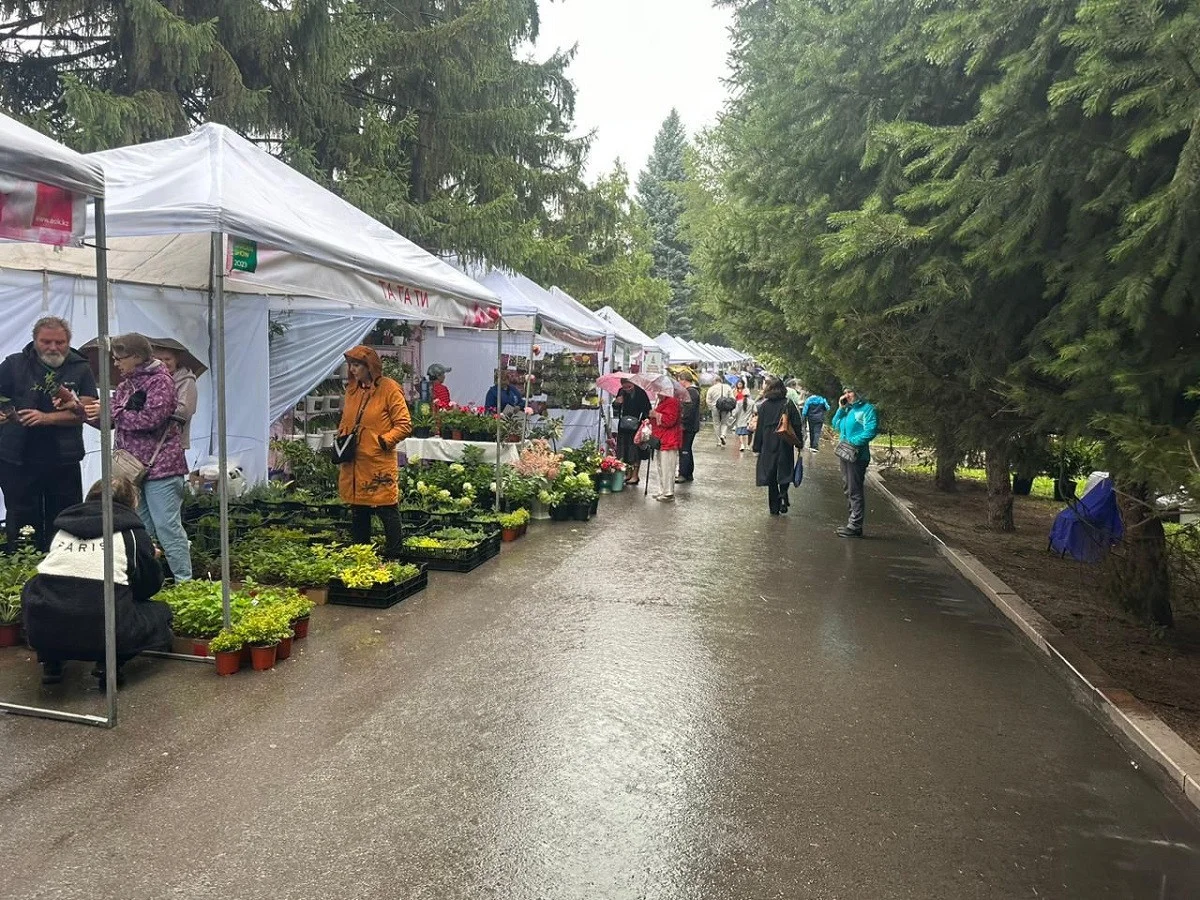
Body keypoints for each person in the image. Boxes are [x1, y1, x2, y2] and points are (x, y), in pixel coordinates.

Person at [22, 477, 172, 689]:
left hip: (45, 627)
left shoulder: (62, 528)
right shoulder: (131, 532)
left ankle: (51, 662)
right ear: (131, 503)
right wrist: (149, 557)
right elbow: (148, 586)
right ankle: (111, 663)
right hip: (105, 630)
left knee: (38, 586)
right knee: (160, 613)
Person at [76, 334, 192, 581]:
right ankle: (149, 578)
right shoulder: (126, 384)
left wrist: (111, 410)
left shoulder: (161, 382)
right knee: (142, 528)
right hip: (133, 468)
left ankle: (185, 582)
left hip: (162, 466)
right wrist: (79, 409)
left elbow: (151, 420)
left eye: (120, 358)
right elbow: (111, 422)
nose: (116, 364)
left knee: (167, 527)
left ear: (137, 357)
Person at [0, 316, 98, 551]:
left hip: (63, 456)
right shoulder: (14, 364)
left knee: (64, 512)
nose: (53, 347)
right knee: (21, 511)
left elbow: (87, 412)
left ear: (68, 342)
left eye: (59, 342)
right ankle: (22, 561)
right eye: (46, 342)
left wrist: (46, 418)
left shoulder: (80, 367)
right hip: (17, 455)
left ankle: (60, 562)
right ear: (35, 340)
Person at [340, 345, 412, 556]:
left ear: (369, 366)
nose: (352, 370)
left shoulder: (389, 388)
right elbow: (346, 420)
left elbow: (404, 424)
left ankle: (394, 555)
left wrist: (383, 441)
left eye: (357, 365)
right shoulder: (352, 391)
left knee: (386, 507)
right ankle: (362, 555)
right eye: (351, 365)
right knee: (358, 510)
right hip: (353, 461)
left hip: (377, 461)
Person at [752, 377, 805, 515]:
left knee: (771, 474)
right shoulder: (789, 403)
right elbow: (797, 424)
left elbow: (760, 427)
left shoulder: (763, 406)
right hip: (784, 441)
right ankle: (783, 494)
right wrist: (799, 442)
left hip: (768, 442)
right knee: (785, 470)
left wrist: (757, 446)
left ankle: (774, 507)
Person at [831, 385, 879, 537]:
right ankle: (852, 523)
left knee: (854, 489)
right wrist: (841, 408)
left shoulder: (867, 409)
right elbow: (835, 424)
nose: (847, 395)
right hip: (845, 454)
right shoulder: (849, 409)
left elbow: (871, 430)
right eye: (845, 393)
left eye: (850, 392)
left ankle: (855, 526)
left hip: (857, 455)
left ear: (858, 392)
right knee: (848, 488)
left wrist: (852, 442)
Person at [151, 339, 199, 453]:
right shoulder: (150, 379)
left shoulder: (186, 380)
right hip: (148, 443)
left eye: (168, 359)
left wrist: (153, 411)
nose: (163, 363)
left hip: (172, 444)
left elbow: (184, 411)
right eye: (158, 359)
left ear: (176, 360)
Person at [611, 378, 651, 486]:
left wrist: (645, 422)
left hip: (636, 426)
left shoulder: (641, 392)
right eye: (625, 387)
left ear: (633, 383)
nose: (627, 389)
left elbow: (647, 409)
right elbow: (615, 407)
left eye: (629, 387)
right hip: (623, 425)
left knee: (635, 450)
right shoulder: (621, 391)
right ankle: (627, 473)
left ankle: (635, 475)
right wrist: (617, 403)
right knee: (624, 449)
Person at [649, 390, 683, 502]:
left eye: (660, 392)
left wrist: (656, 415)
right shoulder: (662, 402)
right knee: (661, 466)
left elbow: (670, 421)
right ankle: (662, 490)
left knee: (667, 467)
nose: (658, 394)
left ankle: (668, 492)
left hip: (670, 439)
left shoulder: (672, 402)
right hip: (662, 438)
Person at [676, 372, 702, 484]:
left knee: (684, 450)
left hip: (688, 426)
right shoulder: (694, 392)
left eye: (679, 380)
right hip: (691, 425)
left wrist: (682, 420)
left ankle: (683, 473)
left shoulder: (691, 392)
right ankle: (688, 473)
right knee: (687, 449)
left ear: (684, 380)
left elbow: (688, 410)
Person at [706, 375, 735, 446]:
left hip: (715, 407)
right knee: (724, 423)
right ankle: (723, 435)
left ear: (715, 381)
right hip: (726, 407)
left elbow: (708, 400)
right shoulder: (728, 387)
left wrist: (711, 407)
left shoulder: (711, 388)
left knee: (716, 424)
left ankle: (718, 441)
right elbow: (732, 398)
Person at [730, 379, 754, 452]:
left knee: (740, 431)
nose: (739, 385)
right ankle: (747, 445)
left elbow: (736, 411)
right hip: (743, 412)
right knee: (746, 431)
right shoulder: (734, 391)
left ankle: (743, 444)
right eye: (738, 384)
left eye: (741, 384)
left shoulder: (741, 401)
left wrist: (733, 415)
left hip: (741, 411)